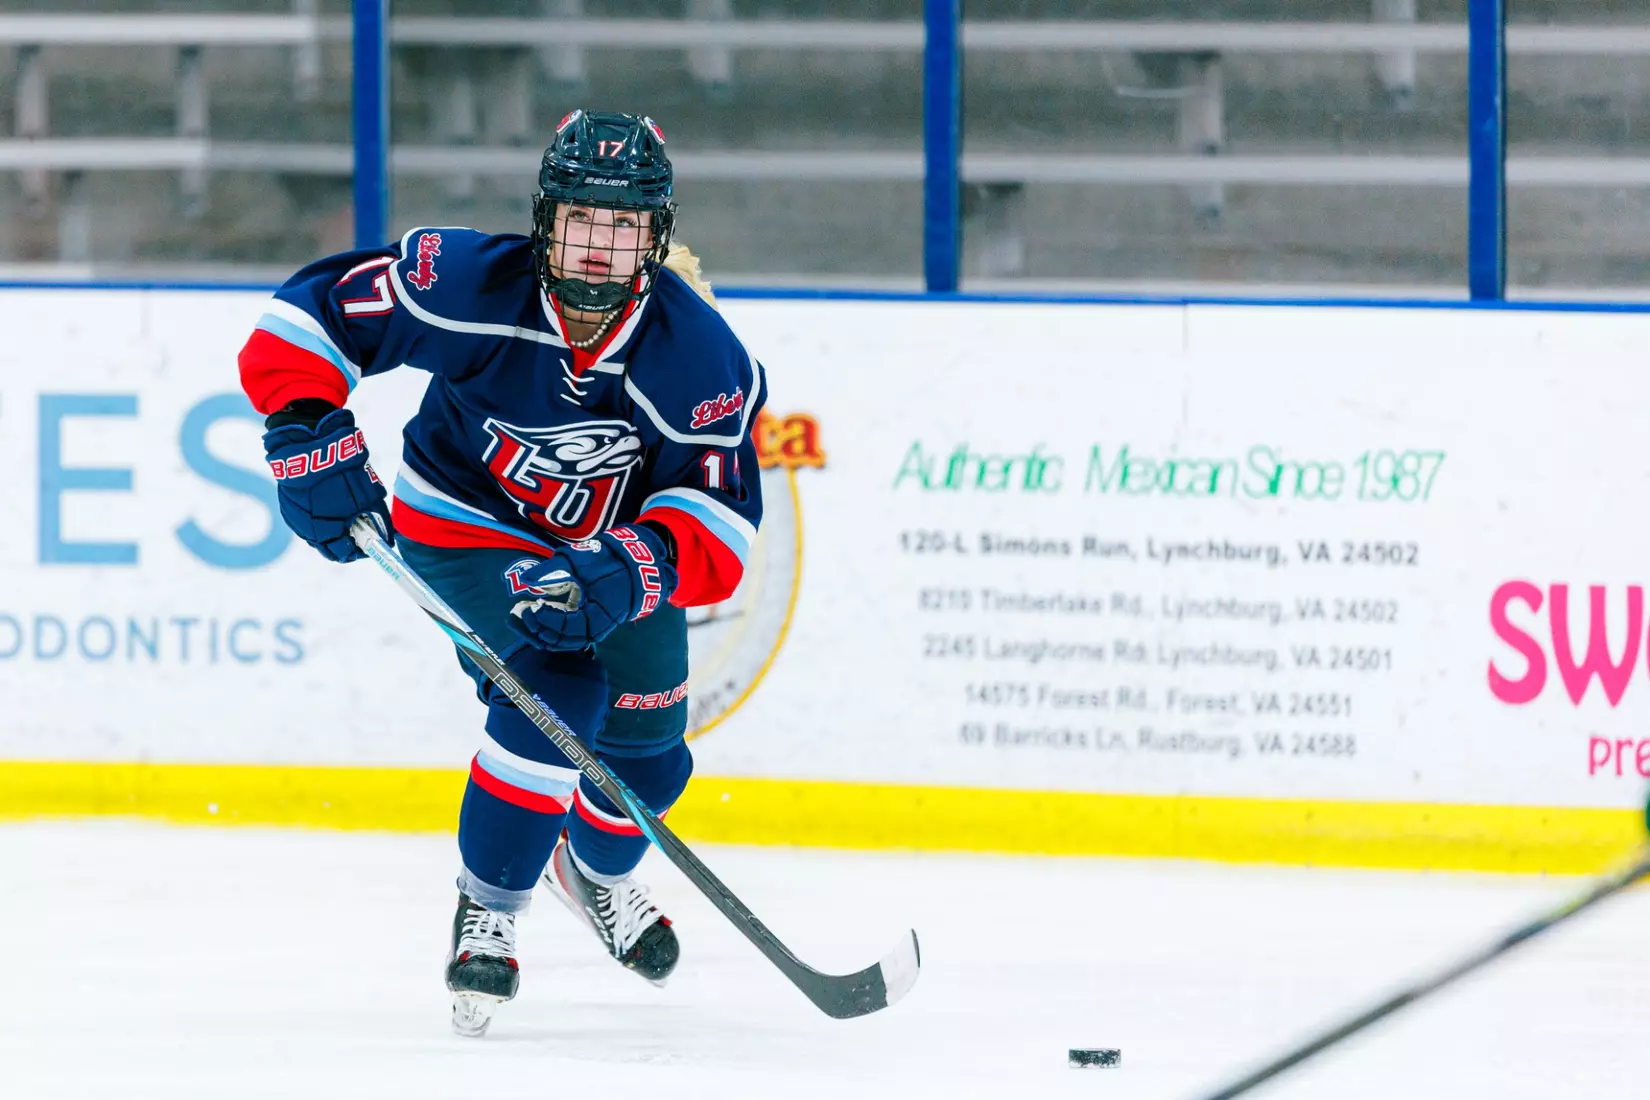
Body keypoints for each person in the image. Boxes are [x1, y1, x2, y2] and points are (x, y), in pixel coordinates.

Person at [237, 110, 765, 1036]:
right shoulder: (470, 282)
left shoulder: (702, 359)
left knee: (653, 748)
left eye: (624, 226)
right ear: (543, 217)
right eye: (580, 220)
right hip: (465, 526)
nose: (598, 249)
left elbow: (721, 523)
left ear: (658, 235)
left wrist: (637, 567)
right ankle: (492, 910)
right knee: (554, 688)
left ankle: (593, 874)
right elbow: (305, 314)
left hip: (612, 547)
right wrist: (303, 431)